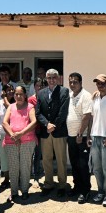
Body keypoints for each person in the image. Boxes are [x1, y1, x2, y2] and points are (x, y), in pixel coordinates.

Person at [36, 69, 70, 197]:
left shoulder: (64, 91)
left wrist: (54, 125)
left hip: (59, 131)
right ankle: (48, 183)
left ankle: (62, 184)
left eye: (54, 77)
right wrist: (46, 124)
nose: (51, 80)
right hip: (46, 132)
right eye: (49, 77)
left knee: (61, 159)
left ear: (58, 78)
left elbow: (63, 111)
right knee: (46, 159)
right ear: (46, 78)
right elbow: (38, 112)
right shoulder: (41, 93)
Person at [87, 74, 106, 207]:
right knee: (97, 168)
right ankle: (100, 191)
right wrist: (88, 135)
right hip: (95, 137)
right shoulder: (94, 98)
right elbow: (91, 118)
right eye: (98, 83)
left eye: (103, 83)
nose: (100, 85)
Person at [2, 86, 38, 201]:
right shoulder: (11, 107)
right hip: (11, 141)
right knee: (13, 167)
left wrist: (21, 134)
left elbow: (34, 122)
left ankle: (25, 190)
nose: (18, 96)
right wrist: (13, 135)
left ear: (25, 95)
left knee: (25, 166)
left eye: (21, 94)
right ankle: (13, 192)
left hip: (27, 141)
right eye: (16, 94)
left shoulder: (30, 107)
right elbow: (4, 122)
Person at [66, 73, 93, 204]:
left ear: (81, 83)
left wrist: (80, 134)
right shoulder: (70, 95)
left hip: (81, 137)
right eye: (70, 82)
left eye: (75, 82)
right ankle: (77, 187)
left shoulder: (86, 96)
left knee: (83, 165)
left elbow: (87, 116)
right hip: (70, 137)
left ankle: (85, 190)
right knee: (74, 163)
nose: (72, 84)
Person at [0, 84, 15, 188]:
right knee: (4, 157)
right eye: (8, 90)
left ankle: (15, 177)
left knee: (14, 156)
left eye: (12, 89)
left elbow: (9, 108)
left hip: (14, 134)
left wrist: (4, 98)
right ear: (4, 91)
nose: (11, 91)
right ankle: (6, 178)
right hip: (2, 133)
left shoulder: (16, 103)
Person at [28, 78, 44, 181]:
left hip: (42, 130)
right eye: (37, 85)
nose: (39, 87)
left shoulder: (46, 98)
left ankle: (36, 173)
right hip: (32, 130)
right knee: (31, 153)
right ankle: (29, 173)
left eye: (41, 86)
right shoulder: (30, 100)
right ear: (34, 87)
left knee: (39, 153)